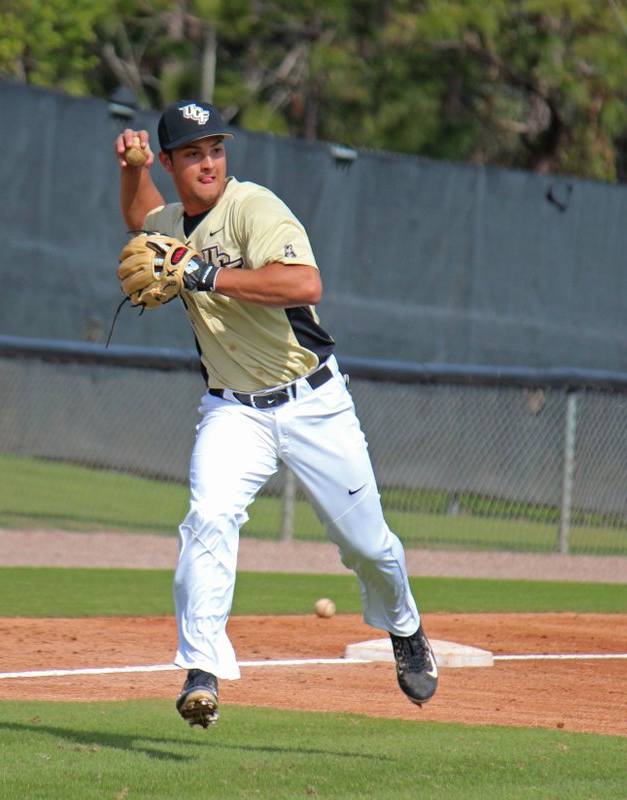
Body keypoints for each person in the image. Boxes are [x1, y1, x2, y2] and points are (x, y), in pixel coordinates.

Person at [113, 100, 437, 728]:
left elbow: (303, 285)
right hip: (233, 412)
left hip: (312, 400)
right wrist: (133, 169)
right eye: (192, 153)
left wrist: (204, 273)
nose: (208, 162)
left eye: (215, 149)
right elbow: (138, 216)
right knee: (208, 516)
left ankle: (405, 624)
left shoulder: (252, 207)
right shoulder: (173, 221)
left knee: (366, 545)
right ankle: (201, 669)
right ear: (173, 162)